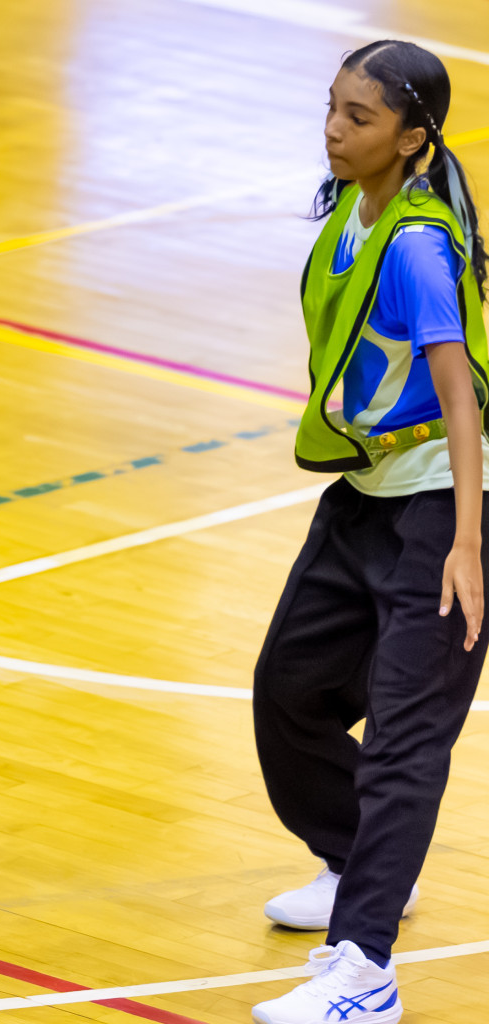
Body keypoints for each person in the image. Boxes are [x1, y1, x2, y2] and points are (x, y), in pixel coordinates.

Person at [251, 40, 488, 1024]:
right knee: (289, 692)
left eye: (359, 117)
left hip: (442, 505)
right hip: (366, 494)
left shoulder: (423, 246)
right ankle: (357, 868)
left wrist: (468, 546)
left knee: (403, 738)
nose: (335, 129)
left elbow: (463, 400)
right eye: (333, 108)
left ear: (413, 136)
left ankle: (367, 973)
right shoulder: (354, 206)